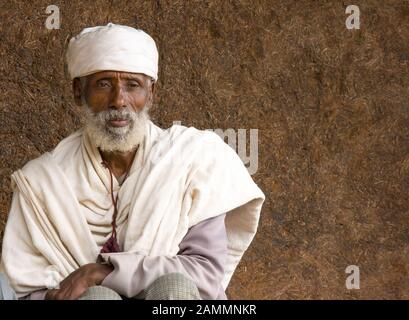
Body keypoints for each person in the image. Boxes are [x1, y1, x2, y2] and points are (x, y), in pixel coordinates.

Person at [0, 23, 265, 300]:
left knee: (174, 288)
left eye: (132, 85)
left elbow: (204, 275)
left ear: (151, 93)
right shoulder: (43, 182)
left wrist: (99, 273)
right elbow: (26, 291)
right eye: (104, 84)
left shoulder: (191, 161)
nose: (119, 101)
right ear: (79, 92)